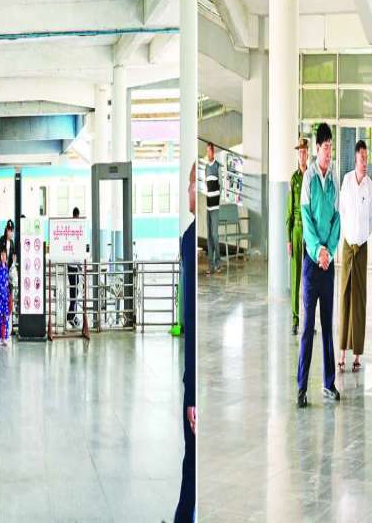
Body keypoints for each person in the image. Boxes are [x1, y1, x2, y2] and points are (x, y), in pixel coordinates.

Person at [296, 123, 341, 408]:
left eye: (331, 148)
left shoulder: (334, 179)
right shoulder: (309, 179)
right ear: (317, 149)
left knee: (327, 325)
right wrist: (318, 250)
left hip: (328, 264)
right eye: (325, 148)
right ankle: (302, 387)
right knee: (307, 326)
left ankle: (328, 383)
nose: (328, 152)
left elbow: (337, 219)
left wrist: (330, 251)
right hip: (312, 264)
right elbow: (306, 219)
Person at [338, 140, 372, 372]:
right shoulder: (347, 181)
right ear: (355, 159)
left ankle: (357, 354)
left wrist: (362, 236)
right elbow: (342, 211)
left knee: (360, 300)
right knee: (344, 297)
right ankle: (342, 351)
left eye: (367, 158)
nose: (365, 162)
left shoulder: (370, 186)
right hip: (347, 246)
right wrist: (350, 234)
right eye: (362, 158)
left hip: (362, 248)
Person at [174, 163, 196, 522]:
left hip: (195, 385)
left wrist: (192, 396)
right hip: (192, 379)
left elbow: (191, 319)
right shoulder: (188, 238)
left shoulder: (190, 240)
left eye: (191, 184)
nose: (189, 191)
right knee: (191, 462)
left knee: (192, 461)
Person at [287, 138, 309, 336]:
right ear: (297, 155)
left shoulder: (312, 176)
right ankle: (295, 320)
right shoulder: (293, 179)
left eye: (304, 151)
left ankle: (308, 321)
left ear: (308, 154)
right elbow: (289, 213)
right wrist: (288, 239)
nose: (302, 155)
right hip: (296, 231)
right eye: (300, 152)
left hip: (309, 233)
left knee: (309, 278)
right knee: (295, 277)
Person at [204, 141, 222, 275]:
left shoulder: (217, 166)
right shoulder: (206, 167)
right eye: (207, 151)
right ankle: (210, 266)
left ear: (213, 151)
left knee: (215, 235)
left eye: (209, 151)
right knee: (209, 236)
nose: (208, 153)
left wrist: (217, 198)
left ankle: (218, 263)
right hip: (208, 205)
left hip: (215, 206)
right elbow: (207, 185)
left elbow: (221, 185)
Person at [67, 207, 81, 327]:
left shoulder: (71, 227)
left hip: (71, 265)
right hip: (74, 266)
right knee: (74, 291)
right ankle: (71, 316)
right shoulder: (76, 228)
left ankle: (71, 315)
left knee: (74, 291)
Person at [0, 248, 11, 345]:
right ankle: (0, 338)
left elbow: (7, 282)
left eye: (5, 255)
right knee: (0, 317)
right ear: (0, 257)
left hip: (6, 297)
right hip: (0, 297)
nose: (3, 257)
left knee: (6, 317)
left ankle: (5, 337)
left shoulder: (6, 267)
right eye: (2, 255)